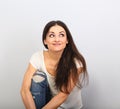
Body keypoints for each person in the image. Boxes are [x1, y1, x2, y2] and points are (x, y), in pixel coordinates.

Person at [20, 20, 88, 109]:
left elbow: (63, 95)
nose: (57, 39)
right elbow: (24, 90)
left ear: (67, 40)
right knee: (38, 77)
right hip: (48, 104)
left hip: (70, 107)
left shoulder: (76, 62)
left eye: (61, 35)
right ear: (45, 41)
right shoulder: (37, 57)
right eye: (52, 35)